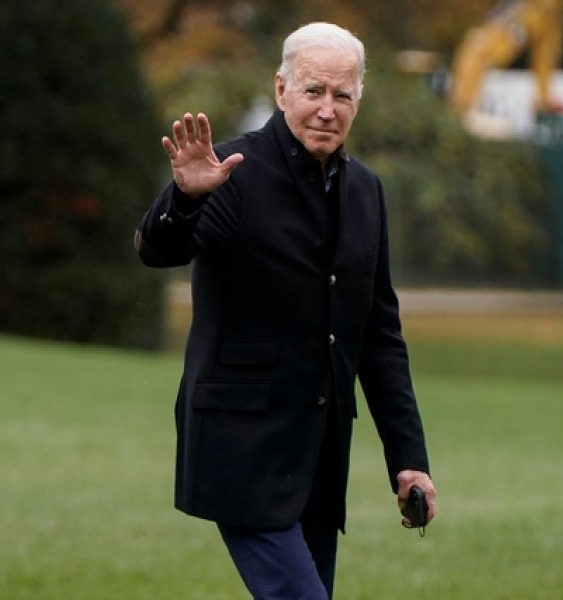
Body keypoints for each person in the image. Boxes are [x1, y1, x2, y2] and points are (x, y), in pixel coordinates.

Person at [133, 22, 436, 600]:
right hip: (239, 448)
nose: (327, 109)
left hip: (320, 461)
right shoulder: (228, 171)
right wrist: (186, 200)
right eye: (313, 91)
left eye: (341, 95)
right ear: (281, 90)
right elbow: (157, 250)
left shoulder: (366, 191)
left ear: (358, 100)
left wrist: (409, 459)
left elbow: (380, 337)